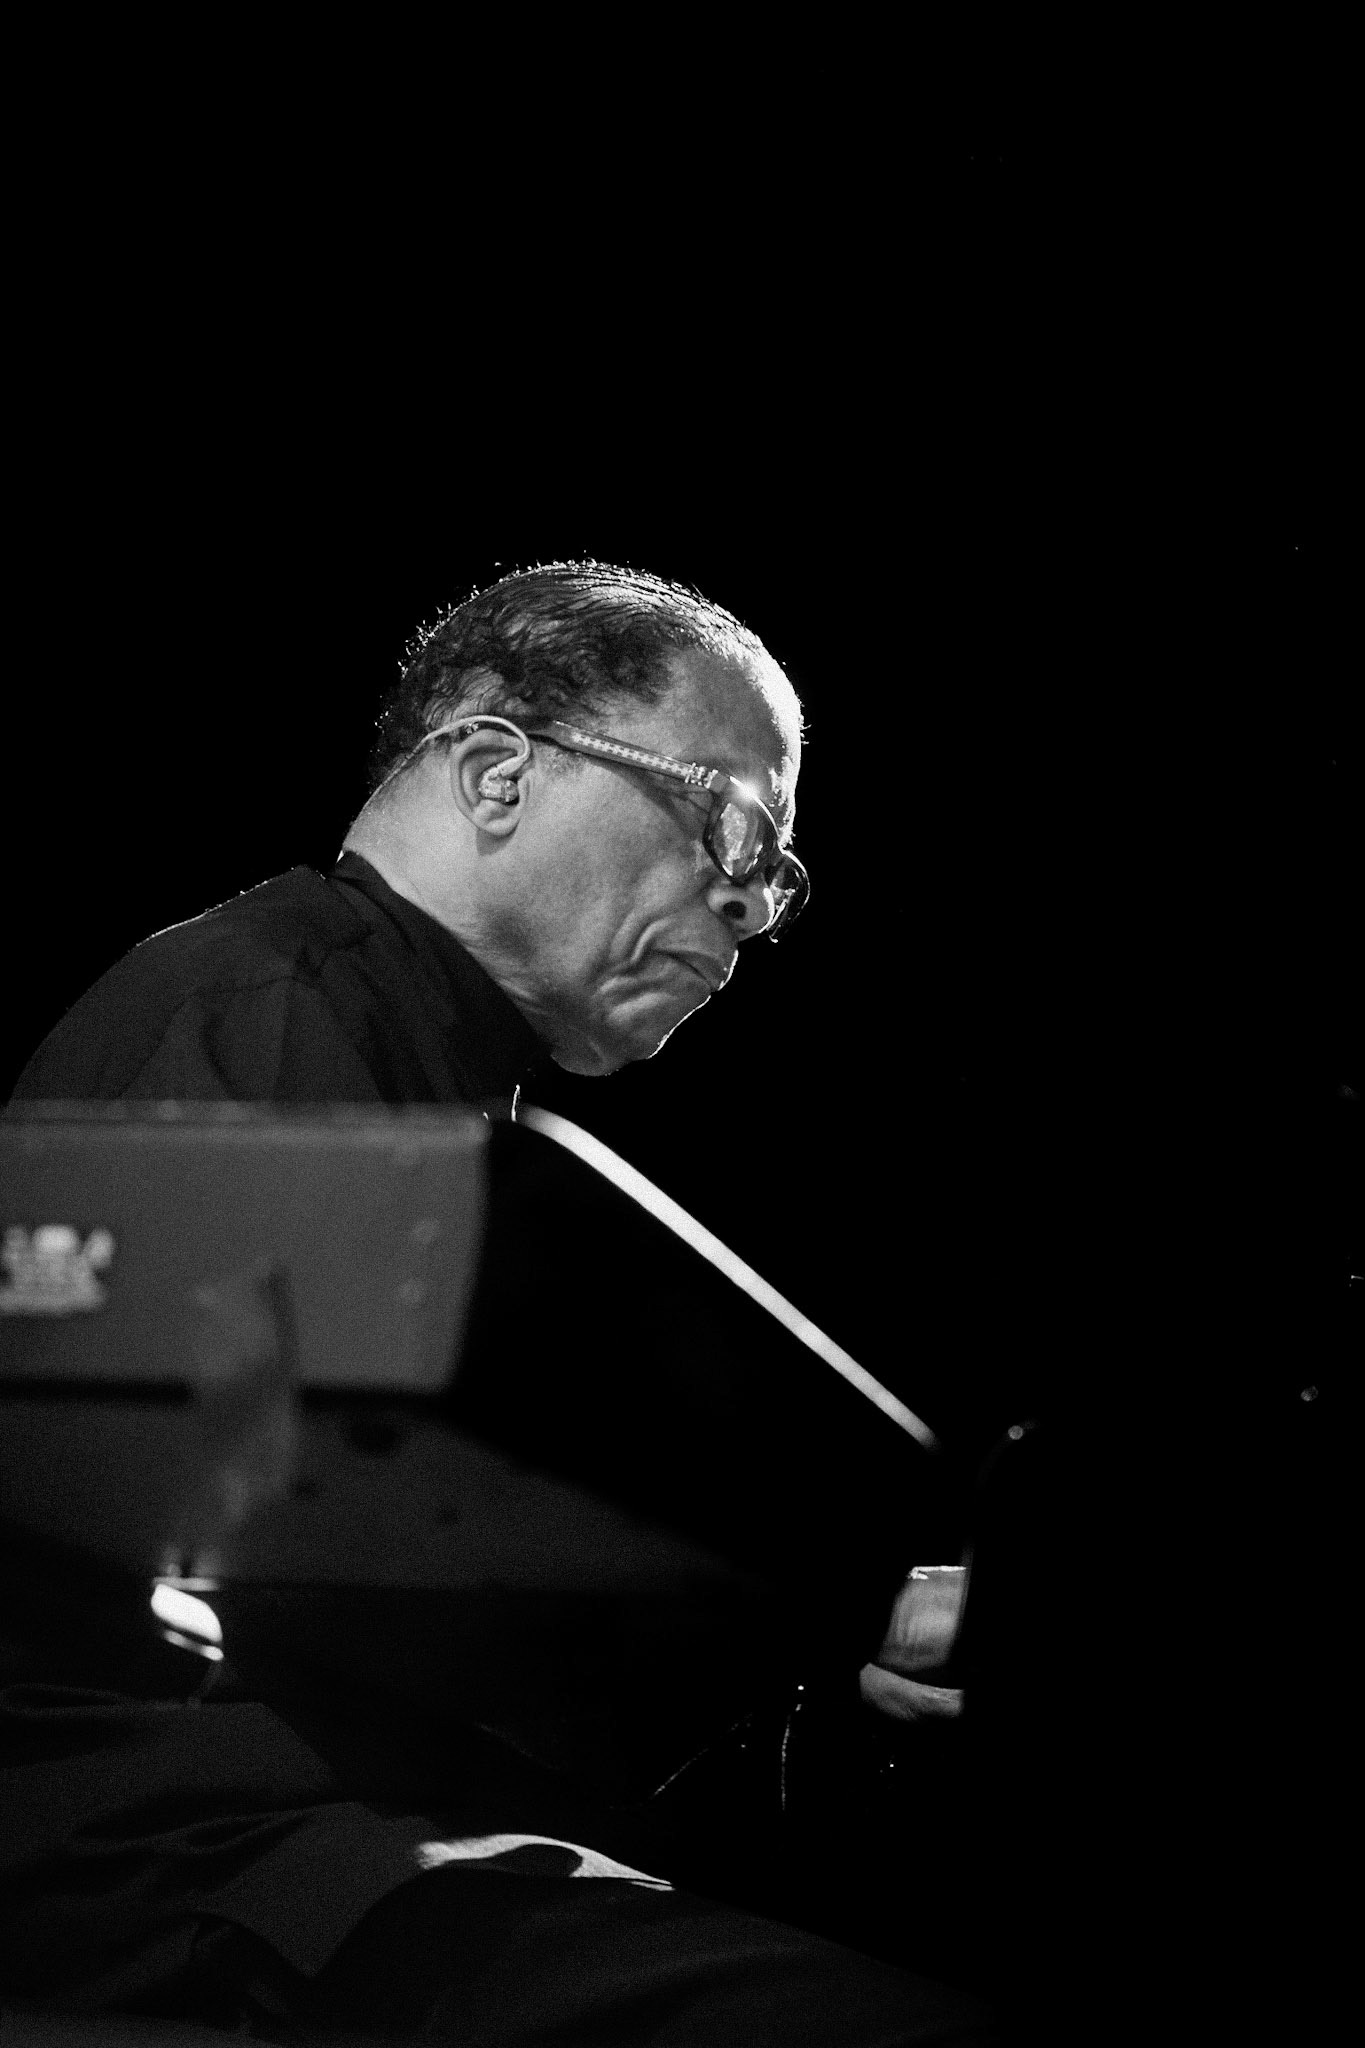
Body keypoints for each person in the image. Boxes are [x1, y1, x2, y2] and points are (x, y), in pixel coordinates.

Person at [2, 564, 996, 2044]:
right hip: (179, 1857)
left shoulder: (411, 1064)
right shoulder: (268, 1010)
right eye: (729, 822)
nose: (747, 900)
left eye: (777, 876)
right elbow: (260, 1575)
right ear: (492, 774)